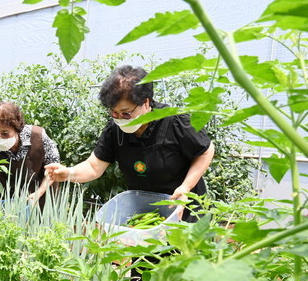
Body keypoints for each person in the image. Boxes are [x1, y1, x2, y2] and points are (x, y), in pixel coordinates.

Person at [46, 65, 214, 221]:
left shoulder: (174, 121)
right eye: (114, 112)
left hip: (184, 208)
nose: (119, 118)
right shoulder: (114, 131)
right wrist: (69, 173)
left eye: (126, 113)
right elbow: (94, 166)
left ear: (146, 103)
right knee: (148, 251)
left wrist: (185, 187)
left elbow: (206, 151)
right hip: (145, 212)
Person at [0, 101, 60, 206]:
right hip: (10, 200)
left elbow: (53, 169)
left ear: (17, 129)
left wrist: (39, 193)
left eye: (5, 134)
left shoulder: (39, 136)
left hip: (43, 196)